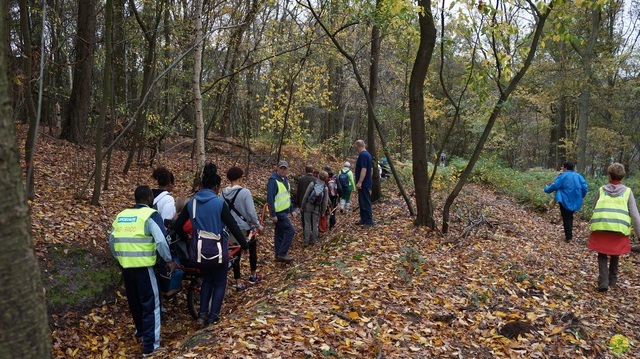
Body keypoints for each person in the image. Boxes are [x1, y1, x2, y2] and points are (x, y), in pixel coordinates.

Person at [173, 163, 249, 326]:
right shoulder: (219, 204)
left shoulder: (191, 203)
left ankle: (201, 315)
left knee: (207, 279)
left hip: (198, 252)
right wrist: (245, 245)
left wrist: (186, 238)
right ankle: (212, 318)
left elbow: (177, 225)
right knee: (220, 282)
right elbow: (234, 227)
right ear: (216, 187)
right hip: (217, 251)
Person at [109, 185, 176, 356]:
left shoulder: (122, 215)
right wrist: (169, 261)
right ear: (149, 199)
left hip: (126, 267)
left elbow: (112, 240)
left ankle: (140, 332)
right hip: (144, 268)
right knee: (151, 305)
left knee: (135, 302)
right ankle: (150, 347)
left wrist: (119, 258)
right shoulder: (150, 216)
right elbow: (161, 241)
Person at [587, 163, 640, 292]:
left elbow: (594, 207)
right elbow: (635, 215)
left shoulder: (602, 190)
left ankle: (603, 281)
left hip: (601, 226)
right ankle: (612, 280)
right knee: (615, 253)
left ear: (609, 175)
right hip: (619, 229)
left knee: (602, 254)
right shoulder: (627, 192)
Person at [221, 166, 264, 291]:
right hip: (245, 228)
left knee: (235, 255)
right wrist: (257, 225)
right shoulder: (245, 192)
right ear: (240, 178)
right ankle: (253, 275)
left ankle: (238, 282)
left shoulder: (223, 193)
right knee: (252, 249)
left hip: (230, 229)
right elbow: (251, 212)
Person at [544, 161, 588, 242]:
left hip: (564, 199)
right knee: (570, 216)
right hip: (576, 200)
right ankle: (569, 235)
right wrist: (581, 196)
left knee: (566, 217)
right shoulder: (579, 176)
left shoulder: (562, 176)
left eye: (562, 167)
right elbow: (585, 187)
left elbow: (555, 185)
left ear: (565, 167)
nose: (562, 169)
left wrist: (546, 189)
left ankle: (568, 237)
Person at [266, 160, 297, 263]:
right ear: (277, 168)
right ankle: (282, 253)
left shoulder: (285, 180)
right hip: (278, 213)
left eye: (285, 168)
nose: (283, 170)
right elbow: (270, 198)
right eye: (281, 168)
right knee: (290, 231)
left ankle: (278, 255)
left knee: (279, 233)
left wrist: (291, 210)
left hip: (284, 211)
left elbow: (287, 196)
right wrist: (273, 214)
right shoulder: (273, 181)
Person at [301, 170, 329, 246]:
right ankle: (315, 241)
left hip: (308, 206)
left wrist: (302, 206)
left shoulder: (312, 184)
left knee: (307, 224)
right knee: (315, 224)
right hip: (317, 208)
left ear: (318, 176)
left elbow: (306, 196)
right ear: (326, 179)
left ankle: (306, 241)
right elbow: (325, 202)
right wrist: (323, 212)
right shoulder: (325, 188)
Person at [355, 140, 374, 227]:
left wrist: (360, 182)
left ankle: (369, 221)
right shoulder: (368, 155)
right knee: (361, 201)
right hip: (366, 182)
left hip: (364, 183)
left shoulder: (363, 155)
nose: (356, 149)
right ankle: (363, 218)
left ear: (358, 146)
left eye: (356, 147)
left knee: (365, 201)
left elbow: (364, 169)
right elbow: (371, 169)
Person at [296, 165, 316, 231]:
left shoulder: (301, 180)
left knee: (305, 221)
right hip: (313, 203)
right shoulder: (315, 180)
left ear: (305, 171)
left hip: (303, 203)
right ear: (313, 171)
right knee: (313, 221)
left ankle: (305, 235)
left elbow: (298, 192)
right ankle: (314, 235)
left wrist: (297, 203)